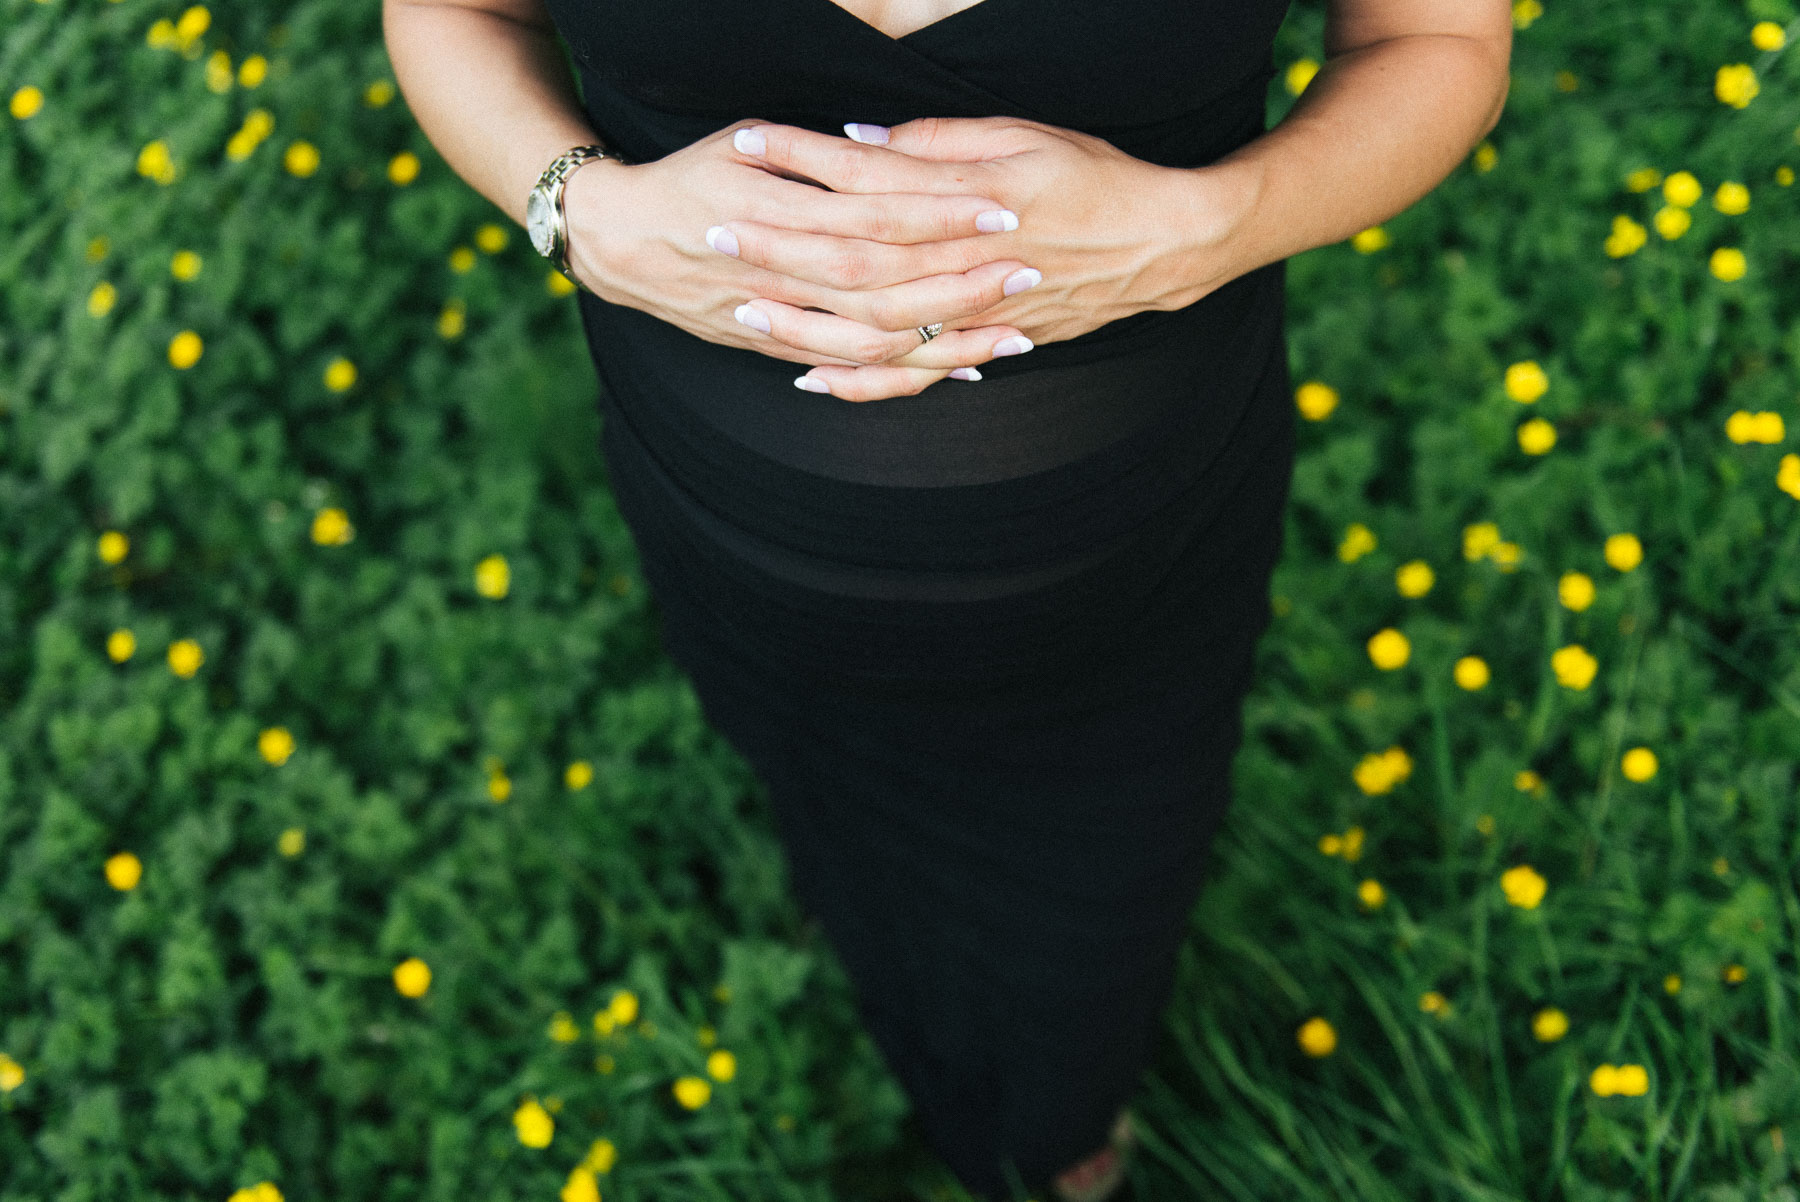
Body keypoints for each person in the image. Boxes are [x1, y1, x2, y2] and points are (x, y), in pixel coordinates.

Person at [382, 0, 1513, 1197]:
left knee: (1097, 906)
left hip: (1139, 579)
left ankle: (1059, 1127)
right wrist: (577, 205)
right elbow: (456, 13)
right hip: (729, 540)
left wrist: (1202, 230)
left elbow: (1434, 47)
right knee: (833, 817)